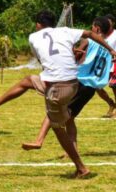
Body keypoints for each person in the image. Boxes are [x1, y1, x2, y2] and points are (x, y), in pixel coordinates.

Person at [0, 11, 116, 178]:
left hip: (59, 87)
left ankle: (81, 168)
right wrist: (110, 50)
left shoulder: (33, 37)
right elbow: (89, 34)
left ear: (38, 25)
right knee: (29, 81)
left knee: (58, 127)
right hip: (72, 83)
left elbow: (44, 60)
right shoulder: (65, 31)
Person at [21, 16, 112, 158]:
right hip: (91, 88)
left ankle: (39, 140)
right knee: (69, 118)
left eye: (92, 27)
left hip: (79, 81)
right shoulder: (110, 46)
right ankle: (71, 150)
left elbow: (76, 58)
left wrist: (74, 52)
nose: (91, 29)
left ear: (97, 29)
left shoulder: (88, 42)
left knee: (54, 110)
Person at [96, 14, 116, 117]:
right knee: (96, 86)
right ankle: (111, 103)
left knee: (114, 87)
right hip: (102, 65)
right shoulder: (100, 35)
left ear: (112, 23)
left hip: (114, 64)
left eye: (108, 22)